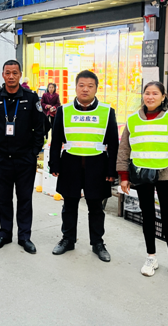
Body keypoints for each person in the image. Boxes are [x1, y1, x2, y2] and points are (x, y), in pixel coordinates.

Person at [117, 81, 168, 285]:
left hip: (166, 175)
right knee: (147, 216)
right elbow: (124, 150)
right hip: (141, 175)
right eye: (147, 93)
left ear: (163, 96)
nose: (150, 97)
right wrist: (124, 176)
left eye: (155, 93)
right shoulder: (132, 120)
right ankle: (151, 257)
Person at [49, 71, 119, 261]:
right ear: (76, 87)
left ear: (96, 88)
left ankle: (97, 243)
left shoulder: (107, 111)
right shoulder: (64, 110)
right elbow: (56, 140)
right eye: (81, 85)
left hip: (97, 165)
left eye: (90, 86)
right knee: (69, 205)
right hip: (70, 164)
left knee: (96, 207)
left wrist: (112, 170)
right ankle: (68, 239)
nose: (85, 89)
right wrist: (54, 163)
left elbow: (113, 143)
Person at [0, 60, 44, 254]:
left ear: (20, 75)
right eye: (7, 73)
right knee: (4, 199)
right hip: (1, 158)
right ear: (3, 75)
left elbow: (40, 127)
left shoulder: (30, 98)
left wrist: (34, 151)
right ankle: (5, 234)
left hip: (25, 159)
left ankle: (24, 237)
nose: (11, 76)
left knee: (24, 199)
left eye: (15, 73)